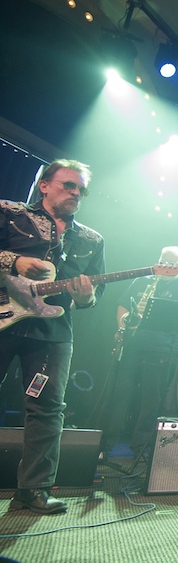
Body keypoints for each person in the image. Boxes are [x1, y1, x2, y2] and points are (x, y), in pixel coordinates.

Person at [0, 159, 105, 514]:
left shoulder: (91, 239)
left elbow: (94, 296)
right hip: (2, 317)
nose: (76, 193)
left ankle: (33, 489)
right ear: (45, 185)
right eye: (68, 185)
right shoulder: (9, 214)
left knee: (47, 409)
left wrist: (84, 296)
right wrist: (13, 261)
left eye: (80, 189)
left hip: (53, 329)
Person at [100, 246, 178, 456]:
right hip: (132, 345)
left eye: (172, 263)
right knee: (119, 395)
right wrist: (123, 325)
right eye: (163, 260)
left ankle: (140, 450)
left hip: (163, 350)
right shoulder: (142, 280)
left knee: (151, 401)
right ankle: (104, 446)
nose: (166, 266)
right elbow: (123, 305)